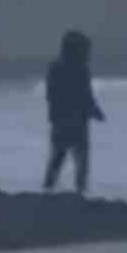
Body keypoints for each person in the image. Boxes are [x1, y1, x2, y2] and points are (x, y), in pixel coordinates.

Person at [43, 29, 105, 196]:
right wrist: (95, 111)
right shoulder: (81, 70)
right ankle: (80, 191)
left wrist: (54, 115)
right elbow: (85, 96)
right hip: (77, 122)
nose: (88, 54)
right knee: (81, 159)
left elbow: (51, 95)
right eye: (86, 50)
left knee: (58, 156)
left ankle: (48, 188)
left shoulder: (55, 67)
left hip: (61, 121)